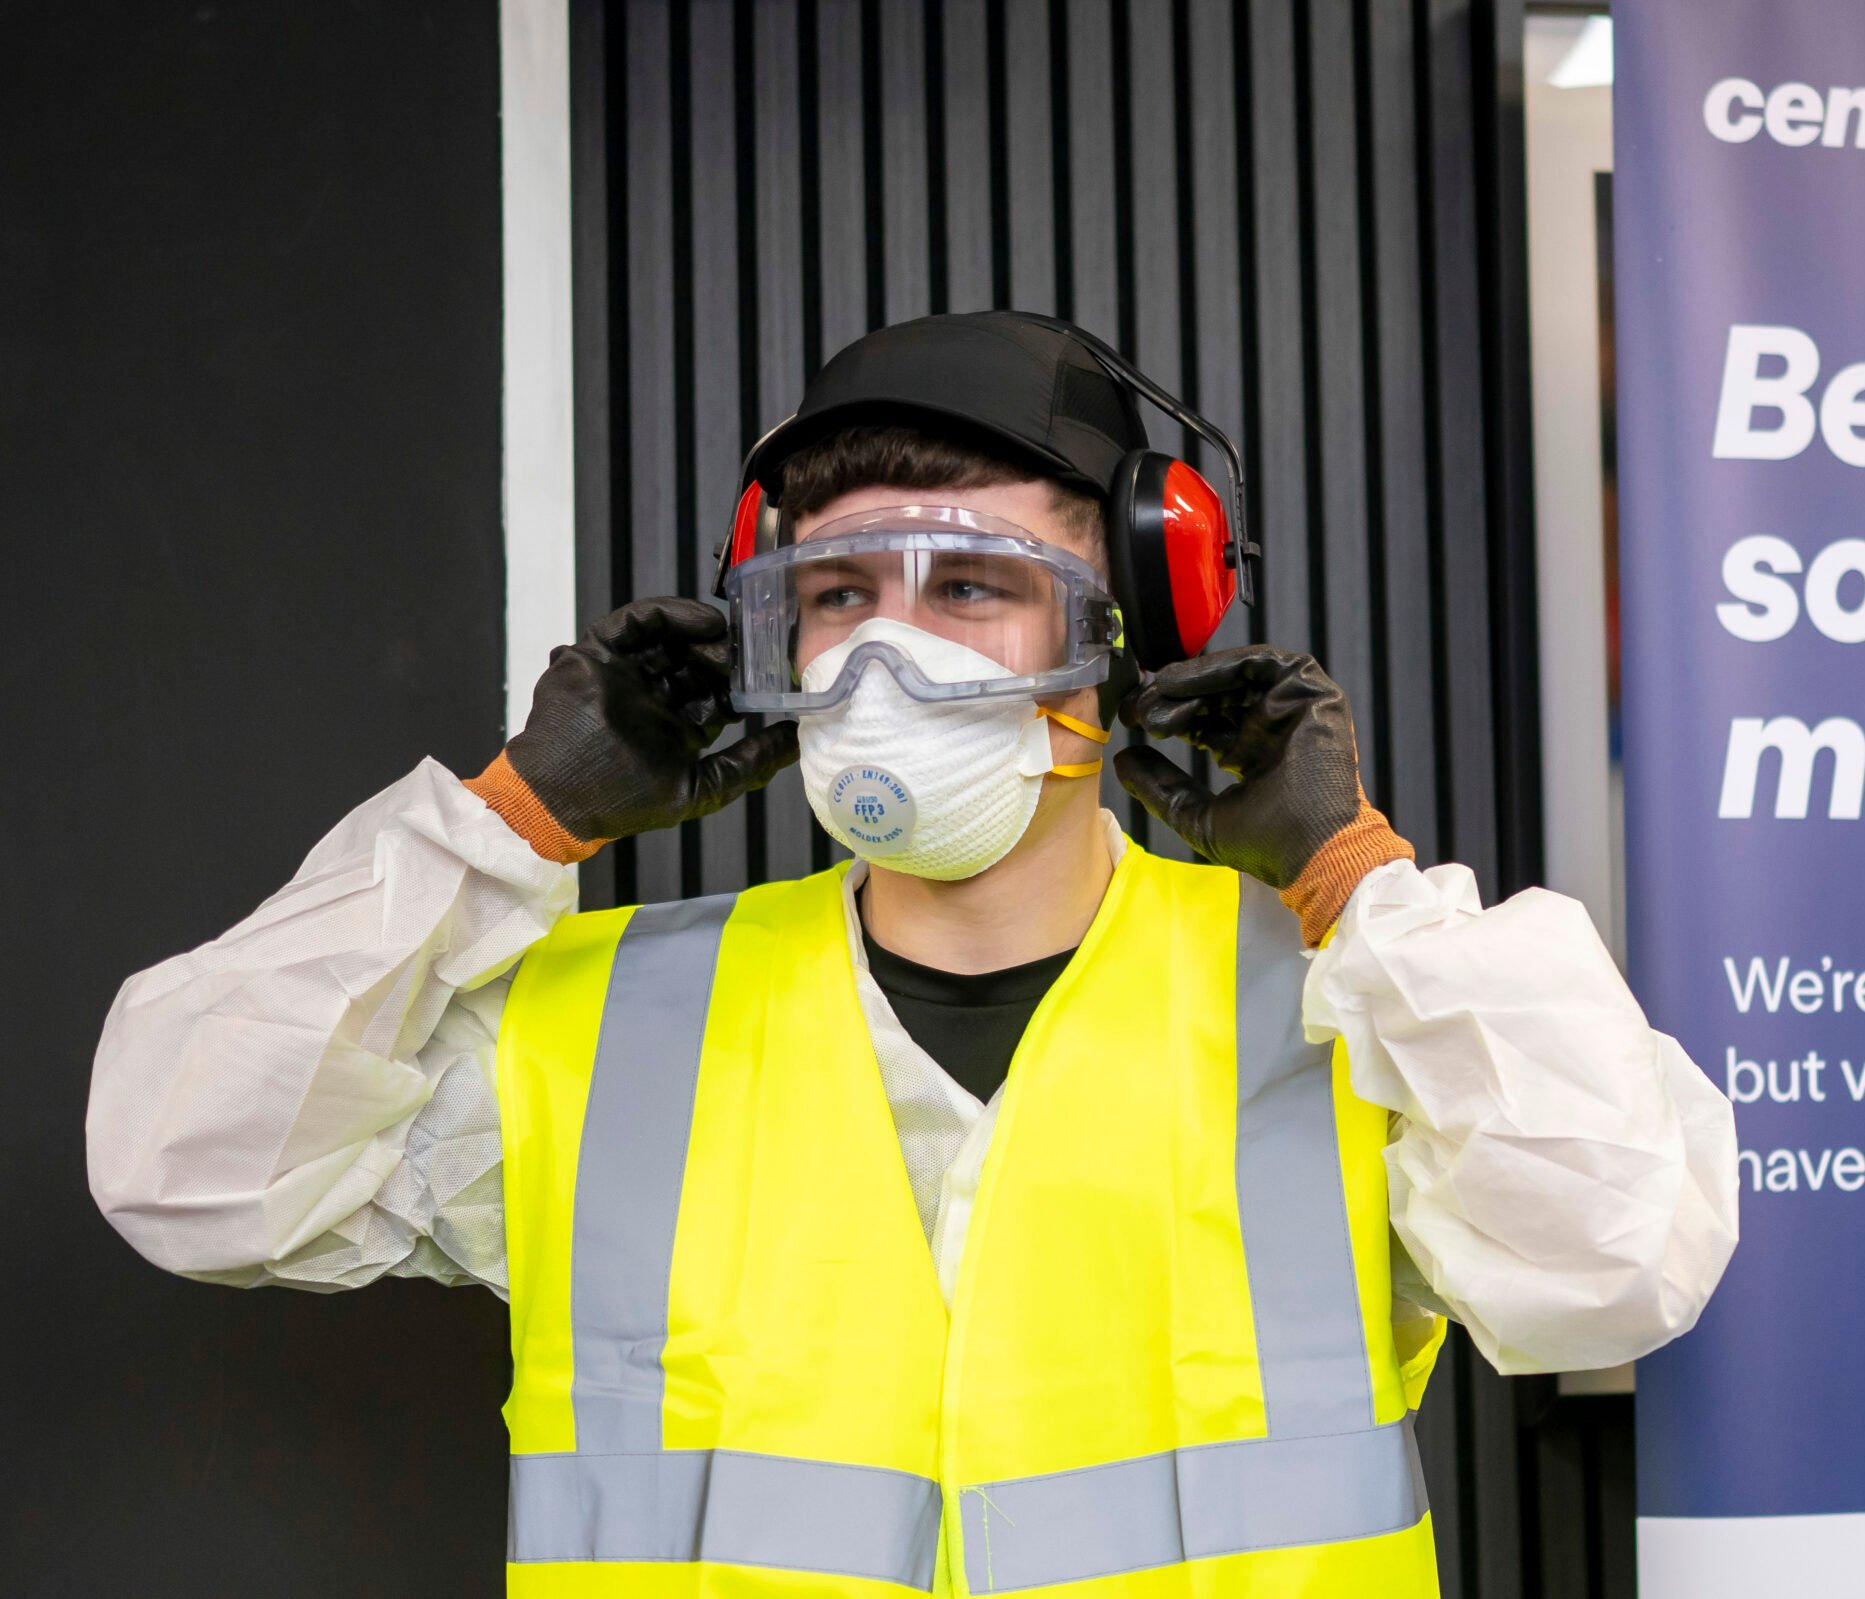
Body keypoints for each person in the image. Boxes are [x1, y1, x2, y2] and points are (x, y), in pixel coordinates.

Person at [88, 310, 1738, 1596]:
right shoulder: (596, 1031)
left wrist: (1353, 879)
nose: (888, 649)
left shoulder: (1343, 1011)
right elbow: (188, 1164)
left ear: (1131, 630)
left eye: (971, 586)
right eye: (836, 593)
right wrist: (517, 822)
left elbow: (1614, 1265)